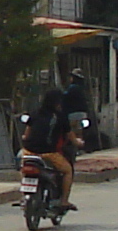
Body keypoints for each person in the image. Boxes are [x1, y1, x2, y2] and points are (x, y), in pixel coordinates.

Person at [23, 72, 90, 211]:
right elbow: (70, 137)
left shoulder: (35, 113)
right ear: (57, 102)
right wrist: (78, 142)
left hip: (29, 151)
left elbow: (26, 135)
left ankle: (24, 196)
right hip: (48, 153)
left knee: (24, 169)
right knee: (67, 171)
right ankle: (64, 200)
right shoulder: (60, 117)